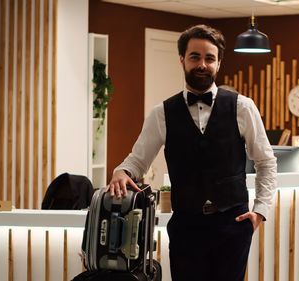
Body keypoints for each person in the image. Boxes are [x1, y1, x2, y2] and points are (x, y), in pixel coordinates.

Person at [106, 24, 276, 281]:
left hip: (233, 224)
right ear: (182, 60)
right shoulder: (161, 113)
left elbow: (265, 161)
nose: (202, 64)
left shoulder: (242, 107)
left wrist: (261, 210)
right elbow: (138, 160)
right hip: (187, 227)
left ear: (219, 64)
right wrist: (122, 170)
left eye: (210, 58)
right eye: (195, 57)